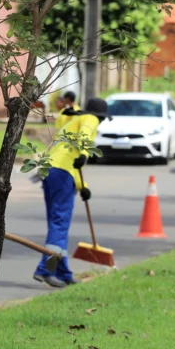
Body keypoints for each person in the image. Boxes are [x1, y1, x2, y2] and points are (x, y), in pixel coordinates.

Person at [34, 97, 108, 288]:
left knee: (56, 224)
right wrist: (84, 155)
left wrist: (83, 187)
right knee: (60, 222)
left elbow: (68, 157)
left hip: (49, 170)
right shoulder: (90, 119)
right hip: (62, 174)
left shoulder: (72, 122)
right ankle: (45, 269)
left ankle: (63, 271)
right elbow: (84, 138)